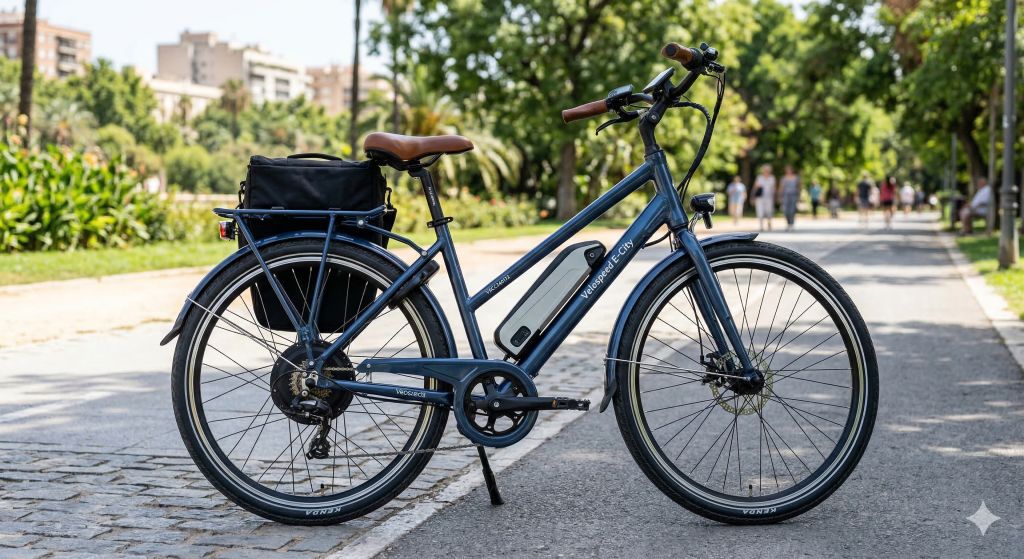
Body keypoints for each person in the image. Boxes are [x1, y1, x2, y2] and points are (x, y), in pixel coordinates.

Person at [752, 164, 776, 231]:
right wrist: (752, 196)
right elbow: (755, 188)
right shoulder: (759, 178)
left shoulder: (772, 178)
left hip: (769, 197)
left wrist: (774, 196)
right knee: (760, 211)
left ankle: (769, 221)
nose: (766, 171)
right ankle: (761, 225)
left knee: (769, 210)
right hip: (760, 197)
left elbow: (773, 188)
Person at [780, 164, 801, 231]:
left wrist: (799, 197)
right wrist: (779, 196)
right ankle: (788, 223)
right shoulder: (783, 178)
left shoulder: (796, 177)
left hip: (794, 195)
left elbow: (799, 187)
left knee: (792, 210)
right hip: (786, 195)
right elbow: (781, 188)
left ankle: (791, 224)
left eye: (790, 169)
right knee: (786, 210)